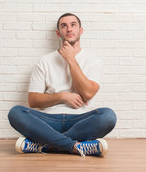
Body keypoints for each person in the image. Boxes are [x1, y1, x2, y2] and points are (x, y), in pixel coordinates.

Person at [8, 13, 117, 157]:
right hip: (48, 121)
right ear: (58, 32)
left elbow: (88, 93)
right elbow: (33, 100)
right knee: (16, 113)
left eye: (73, 25)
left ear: (81, 30)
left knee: (108, 116)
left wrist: (71, 60)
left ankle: (45, 145)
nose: (69, 29)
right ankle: (74, 146)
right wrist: (62, 97)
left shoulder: (93, 60)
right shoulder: (44, 61)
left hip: (80, 119)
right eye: (64, 26)